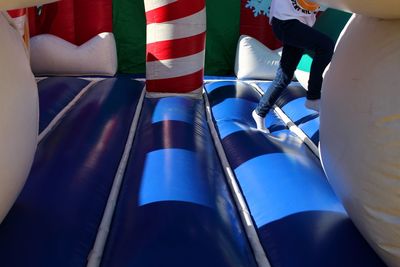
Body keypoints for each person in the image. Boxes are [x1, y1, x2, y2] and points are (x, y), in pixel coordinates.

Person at [252, 0, 334, 133]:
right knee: (325, 46)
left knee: (285, 75)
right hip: (285, 21)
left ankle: (260, 112)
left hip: (300, 24)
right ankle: (313, 97)